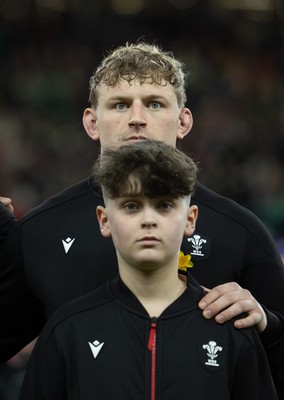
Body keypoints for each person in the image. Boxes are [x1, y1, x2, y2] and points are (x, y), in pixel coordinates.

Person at [0, 42, 283, 396]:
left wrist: (267, 325)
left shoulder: (240, 232)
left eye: (154, 103)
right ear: (92, 122)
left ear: (183, 121)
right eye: (120, 104)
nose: (136, 117)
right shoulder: (40, 232)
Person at [20, 140, 278, 399]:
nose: (148, 220)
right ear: (104, 220)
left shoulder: (230, 329)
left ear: (190, 219)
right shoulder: (67, 330)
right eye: (131, 206)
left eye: (164, 205)